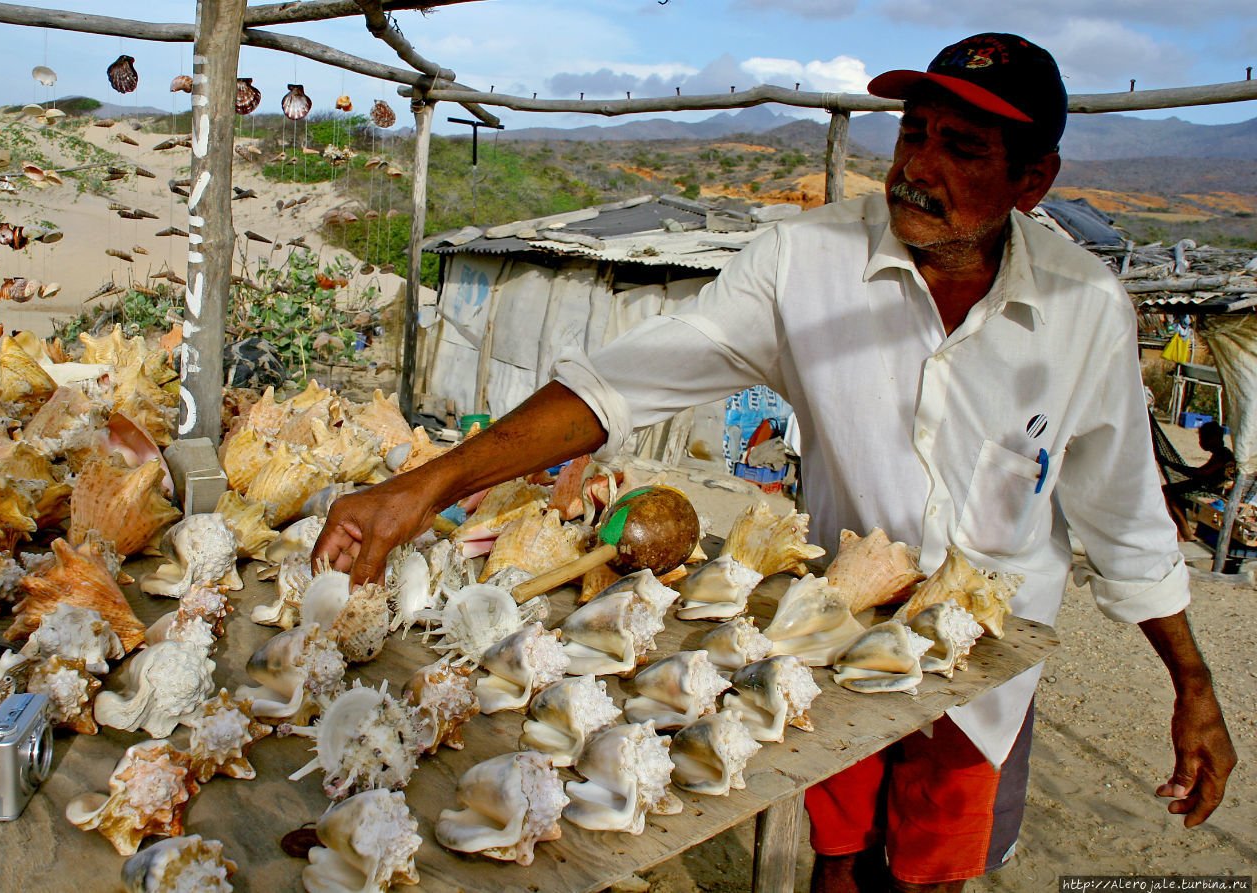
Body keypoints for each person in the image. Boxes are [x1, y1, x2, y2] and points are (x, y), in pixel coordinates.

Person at [314, 33, 1236, 892]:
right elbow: (622, 382)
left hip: (980, 670)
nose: (916, 166)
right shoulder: (807, 261)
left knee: (936, 873)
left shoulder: (1086, 307)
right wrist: (424, 483)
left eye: (962, 147)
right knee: (831, 865)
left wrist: (1191, 683)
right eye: (912, 133)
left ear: (1035, 180)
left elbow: (1123, 512)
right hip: (826, 638)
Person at [1162, 420, 1235, 539]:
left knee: (1171, 494)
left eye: (1204, 438)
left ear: (1214, 438)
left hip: (1214, 495)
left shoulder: (1223, 454)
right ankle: (1181, 532)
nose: (1201, 442)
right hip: (1207, 488)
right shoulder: (1220, 453)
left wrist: (1172, 465)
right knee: (1169, 491)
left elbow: (1200, 473)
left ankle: (1186, 534)